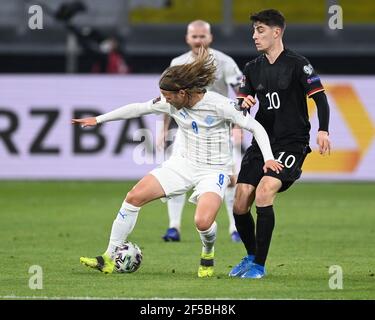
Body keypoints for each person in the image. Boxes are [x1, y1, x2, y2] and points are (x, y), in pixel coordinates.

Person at [72, 48, 283, 277]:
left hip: (213, 172)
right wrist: (99, 120)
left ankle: (208, 251)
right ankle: (108, 256)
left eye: (169, 95)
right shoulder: (170, 102)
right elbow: (137, 108)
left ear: (183, 92)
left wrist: (269, 157)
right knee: (134, 197)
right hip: (182, 165)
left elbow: (255, 127)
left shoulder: (220, 105)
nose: (166, 99)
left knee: (203, 222)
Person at [229, 9, 331, 279]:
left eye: (260, 30)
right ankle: (251, 256)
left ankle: (259, 267)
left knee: (264, 192)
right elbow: (240, 106)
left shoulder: (298, 64)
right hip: (262, 144)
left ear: (277, 32)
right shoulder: (252, 68)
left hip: (292, 143)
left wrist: (323, 130)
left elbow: (320, 99)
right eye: (253, 31)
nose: (254, 36)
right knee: (239, 203)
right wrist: (243, 104)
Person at [158, 20, 244, 243]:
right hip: (187, 131)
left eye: (202, 36)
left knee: (231, 178)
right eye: (194, 37)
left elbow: (241, 94)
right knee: (176, 175)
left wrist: (238, 126)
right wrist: (163, 129)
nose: (198, 41)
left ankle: (235, 228)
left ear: (210, 38)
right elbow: (167, 99)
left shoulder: (224, 62)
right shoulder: (178, 63)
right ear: (188, 39)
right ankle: (173, 227)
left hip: (219, 132)